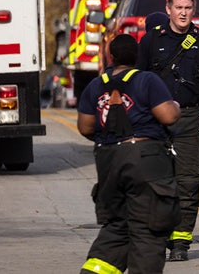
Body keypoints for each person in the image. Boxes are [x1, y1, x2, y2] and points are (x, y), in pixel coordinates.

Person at [77, 34, 182, 274]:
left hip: (108, 160)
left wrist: (112, 141)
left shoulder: (95, 85)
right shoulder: (147, 80)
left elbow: (85, 127)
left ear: (110, 57)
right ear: (137, 57)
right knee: (148, 228)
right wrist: (174, 106)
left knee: (116, 227)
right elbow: (168, 116)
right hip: (144, 159)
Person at [136, 0, 199, 262]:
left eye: (188, 8)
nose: (183, 13)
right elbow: (137, 80)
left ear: (192, 10)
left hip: (189, 118)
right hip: (156, 120)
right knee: (156, 181)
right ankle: (160, 236)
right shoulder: (151, 40)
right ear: (168, 10)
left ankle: (181, 243)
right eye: (179, 8)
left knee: (188, 182)